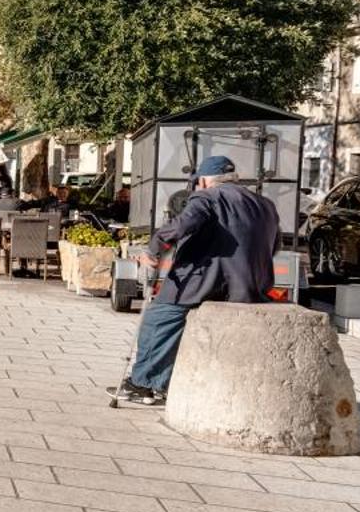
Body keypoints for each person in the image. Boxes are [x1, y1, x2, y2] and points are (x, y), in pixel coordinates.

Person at [110, 155, 279, 407]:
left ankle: (142, 384)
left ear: (203, 180)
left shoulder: (208, 197)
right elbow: (275, 245)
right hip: (252, 285)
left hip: (208, 280)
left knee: (159, 319)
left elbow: (182, 225)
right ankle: (161, 383)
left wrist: (154, 247)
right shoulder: (264, 204)